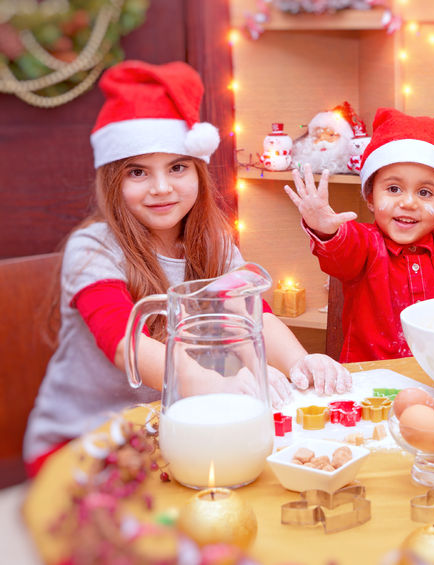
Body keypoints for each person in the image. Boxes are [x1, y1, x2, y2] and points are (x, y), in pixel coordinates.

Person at [23, 60, 351, 475]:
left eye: (177, 167)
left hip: (170, 430)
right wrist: (222, 388)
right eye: (138, 172)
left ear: (197, 172)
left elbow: (252, 314)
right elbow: (126, 342)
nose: (161, 188)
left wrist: (299, 361)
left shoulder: (213, 241)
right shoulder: (93, 248)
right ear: (112, 182)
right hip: (83, 443)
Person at [284, 107, 434, 362]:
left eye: (425, 192)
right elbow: (342, 249)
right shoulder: (364, 245)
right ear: (370, 197)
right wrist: (325, 228)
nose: (409, 203)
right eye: (394, 188)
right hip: (372, 383)